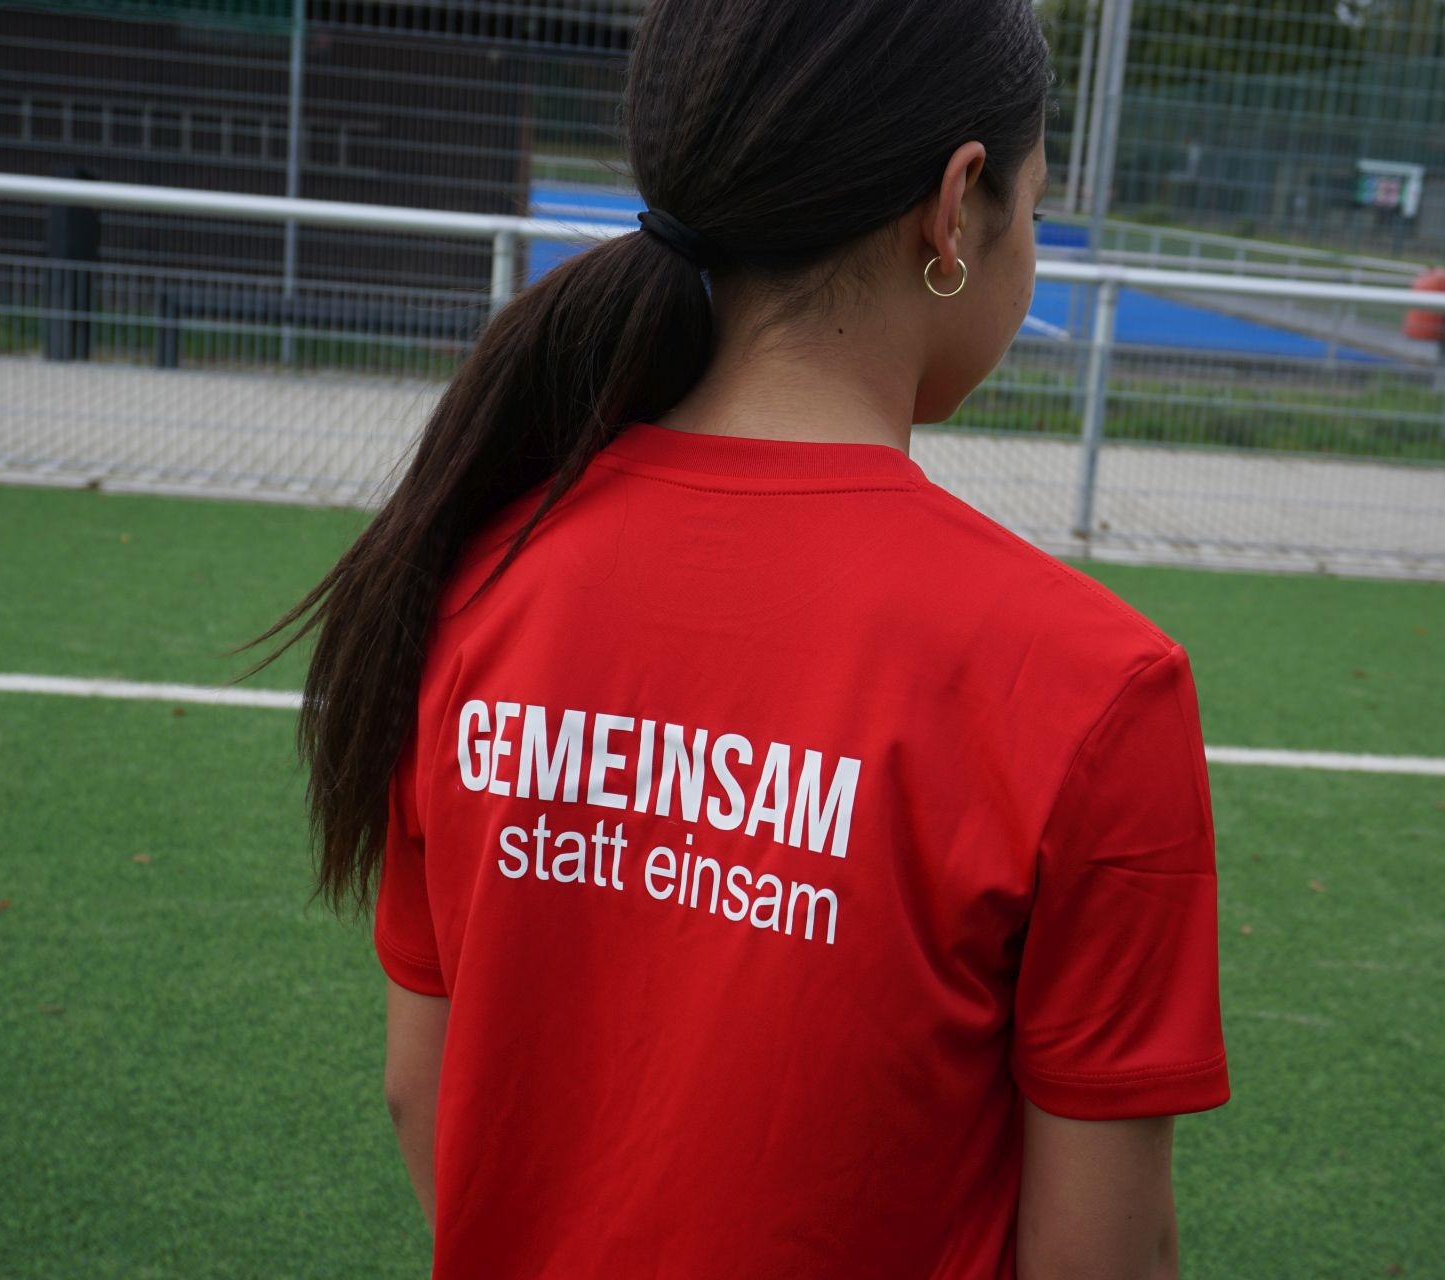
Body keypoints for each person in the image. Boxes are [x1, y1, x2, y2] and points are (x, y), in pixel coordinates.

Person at [243, 1, 1229, 1274]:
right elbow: (1098, 1256)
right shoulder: (1096, 685)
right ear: (954, 207)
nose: (1027, 248)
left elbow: (419, 1092)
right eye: (1032, 210)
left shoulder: (470, 573)